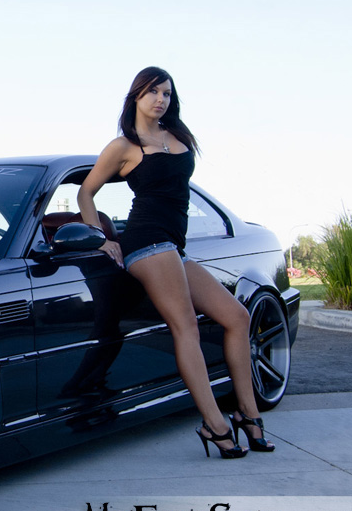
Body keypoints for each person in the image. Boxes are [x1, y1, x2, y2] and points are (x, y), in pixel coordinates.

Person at [77, 66, 275, 459]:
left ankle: (248, 414)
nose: (160, 99)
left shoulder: (177, 136)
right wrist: (101, 238)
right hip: (146, 241)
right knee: (186, 327)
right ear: (136, 96)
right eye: (152, 92)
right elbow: (86, 193)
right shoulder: (124, 146)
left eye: (166, 93)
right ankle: (215, 424)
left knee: (237, 318)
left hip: (173, 247)